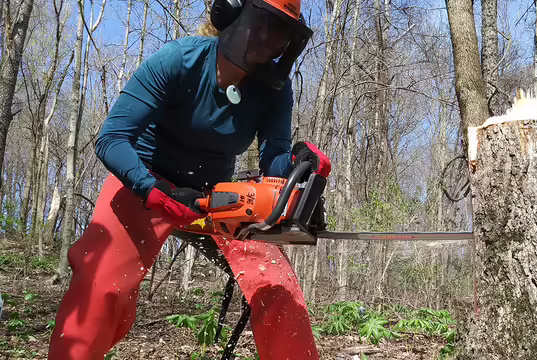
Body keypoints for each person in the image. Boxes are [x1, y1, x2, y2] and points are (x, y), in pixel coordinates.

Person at [47, 0, 329, 358]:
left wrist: (295, 175)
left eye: (280, 33)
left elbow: (273, 160)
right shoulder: (179, 60)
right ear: (232, 14)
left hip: (214, 199)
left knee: (278, 287)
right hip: (143, 182)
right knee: (101, 283)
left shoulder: (273, 89)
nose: (266, 39)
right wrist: (151, 189)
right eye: (261, 24)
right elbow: (113, 137)